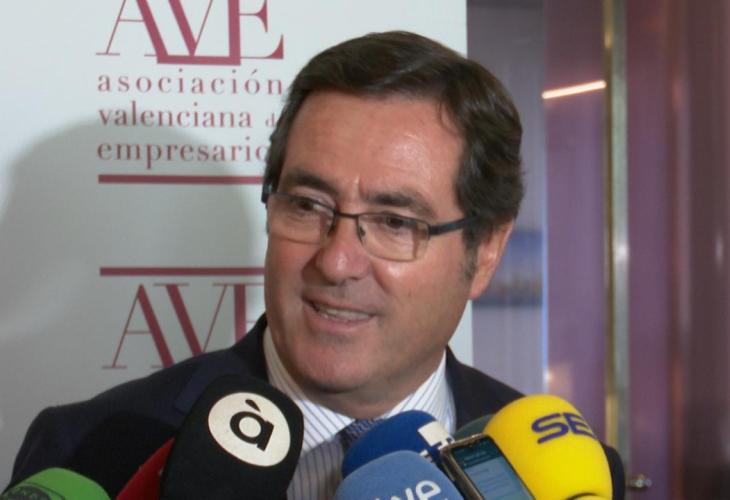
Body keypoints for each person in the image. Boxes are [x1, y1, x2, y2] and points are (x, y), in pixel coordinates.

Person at [8, 31, 624, 498]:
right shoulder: (88, 449)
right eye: (306, 206)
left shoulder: (564, 477)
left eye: (395, 222)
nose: (336, 262)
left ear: (485, 250)